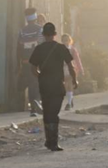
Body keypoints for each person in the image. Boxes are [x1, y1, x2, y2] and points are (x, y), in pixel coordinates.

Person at [29, 22, 77, 151]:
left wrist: (40, 76)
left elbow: (33, 68)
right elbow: (71, 66)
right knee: (54, 113)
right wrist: (75, 80)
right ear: (55, 34)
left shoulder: (39, 49)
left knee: (47, 112)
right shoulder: (61, 48)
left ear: (44, 35)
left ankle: (48, 141)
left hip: (44, 85)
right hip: (57, 85)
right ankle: (53, 142)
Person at [18, 8, 44, 116]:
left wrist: (19, 62)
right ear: (35, 17)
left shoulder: (22, 31)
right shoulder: (40, 29)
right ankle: (37, 101)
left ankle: (33, 109)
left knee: (30, 83)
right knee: (37, 84)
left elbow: (18, 48)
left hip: (25, 62)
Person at [61, 34, 84, 110]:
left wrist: (81, 70)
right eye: (64, 41)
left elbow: (77, 60)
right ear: (62, 41)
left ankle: (69, 103)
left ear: (70, 41)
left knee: (69, 85)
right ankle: (70, 99)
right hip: (63, 70)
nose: (65, 42)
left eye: (67, 40)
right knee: (66, 87)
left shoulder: (72, 50)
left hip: (71, 69)